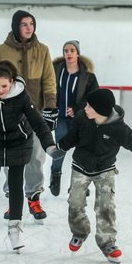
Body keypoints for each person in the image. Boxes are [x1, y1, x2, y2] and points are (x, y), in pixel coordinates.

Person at [56, 88, 132, 263]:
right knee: (75, 203)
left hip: (105, 169)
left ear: (101, 111)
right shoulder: (82, 117)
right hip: (80, 166)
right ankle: (80, 232)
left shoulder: (118, 129)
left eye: (90, 106)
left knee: (106, 206)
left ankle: (107, 243)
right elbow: (71, 138)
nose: (85, 108)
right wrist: (58, 148)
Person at [0, 61, 60, 252]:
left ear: (11, 83)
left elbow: (37, 122)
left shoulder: (21, 97)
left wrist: (49, 145)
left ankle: (15, 230)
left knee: (16, 184)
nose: (0, 90)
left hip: (18, 142)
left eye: (4, 86)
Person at [0, 10, 56, 222]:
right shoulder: (3, 50)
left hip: (34, 113)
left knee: (36, 156)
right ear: (16, 26)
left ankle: (34, 198)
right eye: (24, 24)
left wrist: (51, 107)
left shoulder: (42, 50)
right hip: (9, 114)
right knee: (10, 159)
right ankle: (12, 200)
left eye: (32, 24)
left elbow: (49, 79)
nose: (29, 28)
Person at [49, 40, 99, 196]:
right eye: (66, 50)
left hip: (81, 119)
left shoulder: (88, 76)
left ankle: (78, 183)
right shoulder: (55, 71)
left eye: (72, 50)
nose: (68, 53)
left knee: (82, 150)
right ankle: (55, 176)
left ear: (78, 53)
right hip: (61, 119)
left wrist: (77, 108)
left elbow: (94, 96)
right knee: (60, 148)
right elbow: (47, 89)